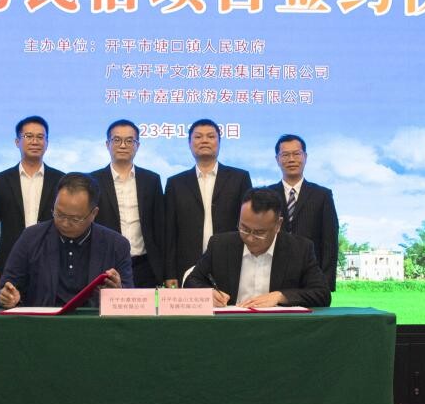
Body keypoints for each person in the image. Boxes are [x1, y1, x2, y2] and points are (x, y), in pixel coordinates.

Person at [0, 173, 133, 309]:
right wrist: (7, 297)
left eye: (75, 219)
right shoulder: (31, 238)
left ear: (93, 213)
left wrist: (119, 291)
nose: (65, 223)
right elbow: (3, 289)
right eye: (59, 214)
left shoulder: (117, 245)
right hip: (44, 322)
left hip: (94, 322)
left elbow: (130, 297)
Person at [183, 187, 330, 308]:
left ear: (278, 225)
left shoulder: (300, 249)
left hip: (278, 328)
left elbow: (322, 294)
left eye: (259, 233)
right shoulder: (220, 245)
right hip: (230, 326)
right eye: (244, 228)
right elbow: (192, 281)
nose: (250, 238)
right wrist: (207, 294)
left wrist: (281, 296)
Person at [163, 118, 252, 284]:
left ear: (219, 142)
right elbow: (170, 231)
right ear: (189, 143)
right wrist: (170, 272)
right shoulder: (175, 183)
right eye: (198, 137)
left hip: (231, 261)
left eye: (211, 136)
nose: (204, 141)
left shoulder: (240, 178)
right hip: (187, 265)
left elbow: (248, 224)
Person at [0, 115, 64, 295]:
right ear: (17, 142)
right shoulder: (1, 180)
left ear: (47, 143)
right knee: (10, 309)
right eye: (28, 136)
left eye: (40, 137)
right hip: (11, 262)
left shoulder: (61, 180)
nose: (35, 141)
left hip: (52, 262)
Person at [90, 119, 165, 288]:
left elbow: (160, 227)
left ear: (137, 145)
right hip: (106, 266)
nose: (123, 145)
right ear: (107, 144)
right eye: (117, 140)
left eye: (129, 140)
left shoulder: (151, 180)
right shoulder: (93, 180)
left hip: (145, 265)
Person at [269, 134, 339, 292]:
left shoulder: (322, 195)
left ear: (305, 157)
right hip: (273, 275)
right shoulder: (267, 194)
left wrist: (326, 284)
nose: (291, 159)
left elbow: (330, 241)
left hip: (311, 276)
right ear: (277, 159)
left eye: (296, 154)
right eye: (285, 155)